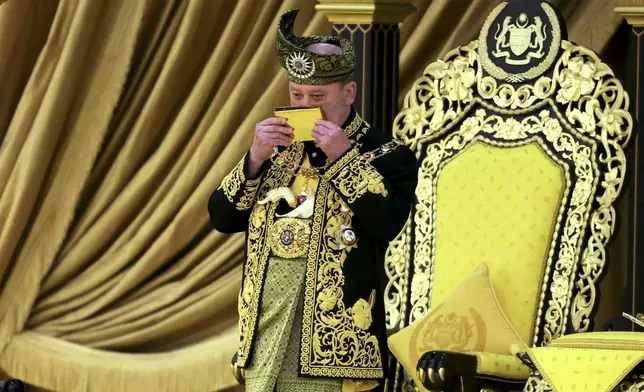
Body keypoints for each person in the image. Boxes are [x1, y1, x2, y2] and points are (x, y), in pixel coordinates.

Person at [208, 8, 418, 392]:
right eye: (297, 95)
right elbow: (222, 217)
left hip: (333, 341)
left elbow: (387, 224)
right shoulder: (278, 150)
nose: (305, 105)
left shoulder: (388, 154)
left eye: (317, 96)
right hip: (265, 328)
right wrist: (254, 157)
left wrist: (344, 158)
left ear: (348, 93)